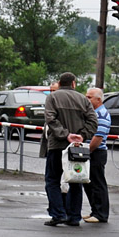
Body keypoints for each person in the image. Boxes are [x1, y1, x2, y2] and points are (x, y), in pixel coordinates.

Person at [41, 72, 97, 227]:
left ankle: (58, 214)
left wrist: (65, 135)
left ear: (59, 83)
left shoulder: (52, 98)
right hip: (76, 149)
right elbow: (93, 121)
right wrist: (81, 136)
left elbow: (50, 119)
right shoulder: (82, 99)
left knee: (52, 180)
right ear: (74, 83)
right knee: (75, 180)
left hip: (57, 145)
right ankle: (74, 216)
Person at [84, 87, 111, 223]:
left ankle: (101, 214)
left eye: (89, 97)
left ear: (98, 99)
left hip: (97, 152)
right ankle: (94, 210)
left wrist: (87, 151)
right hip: (91, 150)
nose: (86, 99)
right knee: (88, 183)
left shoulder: (102, 114)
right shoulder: (92, 112)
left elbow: (98, 137)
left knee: (97, 183)